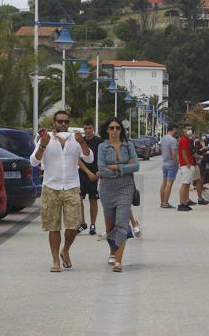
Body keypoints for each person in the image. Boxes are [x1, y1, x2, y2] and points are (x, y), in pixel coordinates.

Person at [31, 111, 93, 272]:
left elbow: (89, 158)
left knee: (74, 225)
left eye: (66, 122)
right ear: (54, 123)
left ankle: (65, 250)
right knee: (54, 226)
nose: (63, 124)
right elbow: (33, 161)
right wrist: (43, 145)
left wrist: (83, 143)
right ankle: (55, 261)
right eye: (60, 122)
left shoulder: (75, 139)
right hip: (51, 188)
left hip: (72, 187)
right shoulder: (45, 139)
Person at [97, 117, 139, 272]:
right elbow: (101, 169)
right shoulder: (102, 147)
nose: (115, 130)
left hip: (125, 188)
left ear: (121, 130)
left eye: (117, 128)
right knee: (110, 227)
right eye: (111, 128)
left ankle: (118, 261)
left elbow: (136, 166)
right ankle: (112, 251)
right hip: (107, 188)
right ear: (107, 130)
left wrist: (115, 167)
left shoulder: (128, 146)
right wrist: (123, 168)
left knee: (121, 223)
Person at [77, 118, 102, 235]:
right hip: (82, 173)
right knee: (79, 198)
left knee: (93, 200)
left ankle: (93, 224)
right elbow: (78, 159)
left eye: (89, 128)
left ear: (93, 128)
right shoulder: (80, 142)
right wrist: (88, 172)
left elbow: (102, 159)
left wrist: (98, 173)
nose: (87, 130)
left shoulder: (99, 142)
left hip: (95, 174)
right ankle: (82, 223)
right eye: (85, 128)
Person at [159, 123, 178, 209]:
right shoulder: (173, 140)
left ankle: (162, 201)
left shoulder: (163, 139)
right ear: (173, 129)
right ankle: (165, 203)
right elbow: (174, 153)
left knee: (164, 183)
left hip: (164, 163)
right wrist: (177, 163)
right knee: (169, 184)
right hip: (171, 164)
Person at [177, 124, 195, 212]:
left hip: (189, 164)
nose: (189, 130)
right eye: (188, 129)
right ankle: (181, 203)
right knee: (184, 184)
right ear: (184, 130)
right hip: (186, 165)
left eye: (190, 129)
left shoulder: (187, 140)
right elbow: (183, 152)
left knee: (187, 184)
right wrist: (187, 163)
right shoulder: (183, 140)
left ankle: (185, 202)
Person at [191, 136, 209, 205]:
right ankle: (186, 200)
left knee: (199, 180)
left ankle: (199, 198)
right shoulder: (193, 142)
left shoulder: (192, 142)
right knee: (196, 181)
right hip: (192, 164)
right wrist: (200, 156)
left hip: (193, 163)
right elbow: (194, 153)